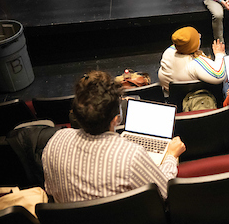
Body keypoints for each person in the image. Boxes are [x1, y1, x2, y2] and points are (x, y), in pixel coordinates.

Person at [42, 71, 187, 202]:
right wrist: (170, 156)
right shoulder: (131, 155)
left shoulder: (55, 142)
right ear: (116, 118)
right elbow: (163, 191)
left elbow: (50, 189)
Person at [157, 26, 226, 96]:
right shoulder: (195, 63)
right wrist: (219, 54)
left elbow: (181, 44)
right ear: (194, 45)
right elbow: (219, 75)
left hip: (170, 95)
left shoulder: (168, 52)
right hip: (192, 97)